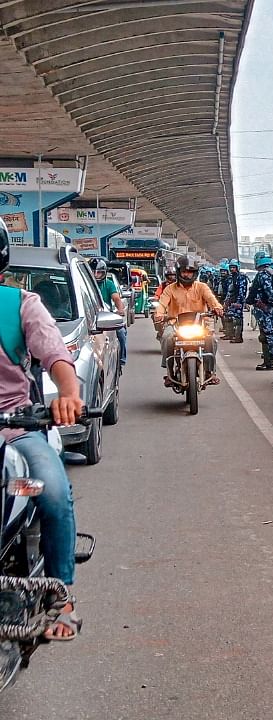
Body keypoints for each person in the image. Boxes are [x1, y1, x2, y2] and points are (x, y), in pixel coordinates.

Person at [0, 221, 85, 640]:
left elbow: (55, 356)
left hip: (13, 430)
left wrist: (68, 394)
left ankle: (60, 596)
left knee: (51, 491)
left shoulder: (20, 305)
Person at [155, 255, 224, 384]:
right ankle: (169, 373)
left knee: (211, 340)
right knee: (166, 337)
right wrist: (159, 314)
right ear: (178, 272)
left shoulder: (202, 287)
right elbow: (162, 304)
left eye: (190, 272)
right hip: (176, 324)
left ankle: (210, 372)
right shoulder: (170, 289)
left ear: (195, 273)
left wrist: (217, 308)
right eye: (184, 271)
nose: (187, 275)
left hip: (199, 324)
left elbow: (211, 299)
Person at [245, 252, 273, 370]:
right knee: (272, 333)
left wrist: (271, 302)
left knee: (265, 335)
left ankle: (269, 362)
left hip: (266, 308)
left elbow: (268, 290)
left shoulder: (263, 274)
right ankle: (271, 357)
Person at [89, 257, 128, 367]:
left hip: (105, 315)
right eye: (93, 272)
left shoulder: (109, 284)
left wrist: (120, 310)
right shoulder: (86, 284)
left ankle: (121, 360)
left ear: (104, 273)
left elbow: (116, 298)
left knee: (121, 332)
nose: (96, 275)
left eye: (99, 273)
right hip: (89, 317)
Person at [222, 259, 249, 344]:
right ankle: (229, 334)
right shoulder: (231, 277)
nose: (232, 269)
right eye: (231, 267)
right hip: (231, 301)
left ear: (237, 268)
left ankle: (238, 337)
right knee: (228, 317)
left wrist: (239, 302)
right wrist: (226, 302)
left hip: (238, 301)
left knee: (238, 320)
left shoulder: (241, 277)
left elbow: (242, 291)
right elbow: (229, 291)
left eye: (234, 267)